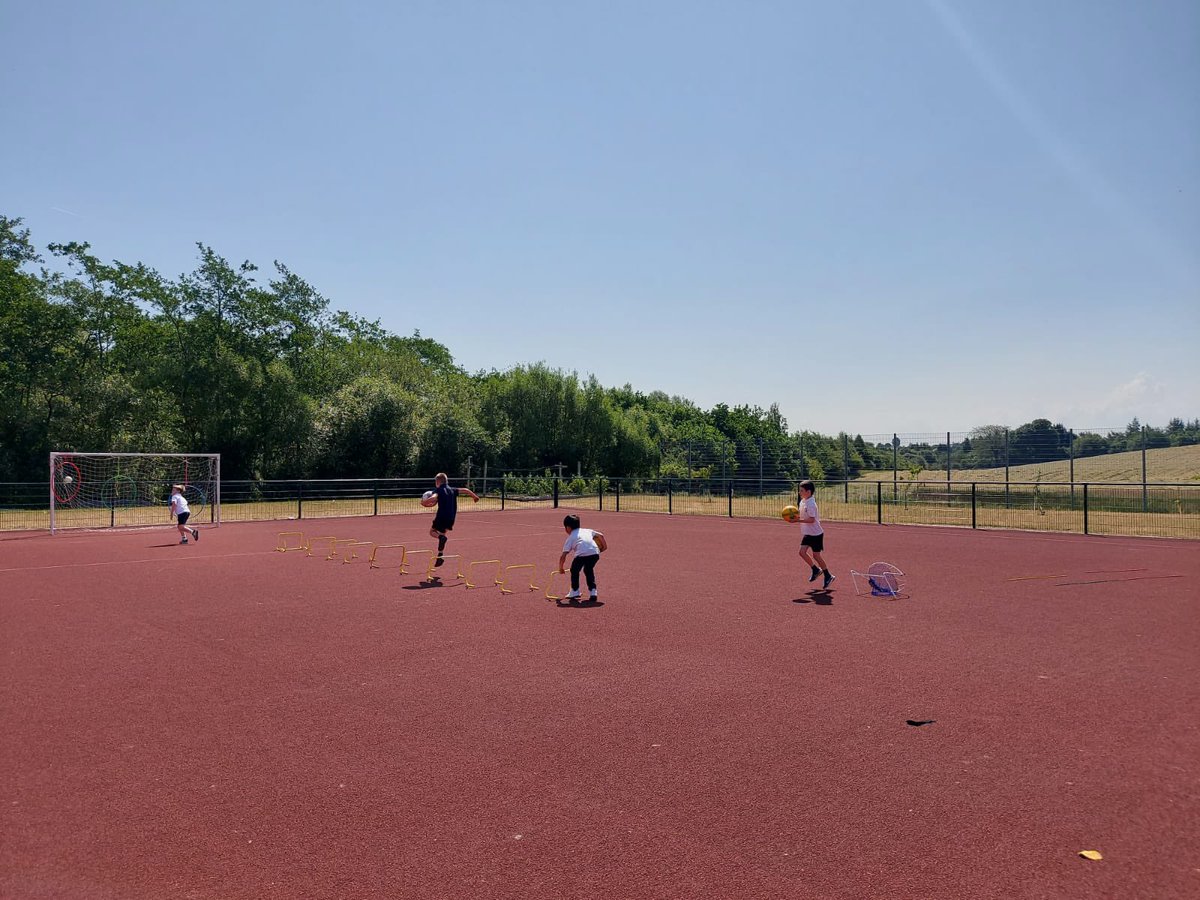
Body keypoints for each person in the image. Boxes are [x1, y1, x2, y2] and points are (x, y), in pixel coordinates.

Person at [422, 472, 479, 566]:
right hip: (451, 518)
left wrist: (424, 503)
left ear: (437, 482)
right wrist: (474, 496)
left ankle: (441, 538)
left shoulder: (438, 490)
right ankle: (440, 555)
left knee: (432, 532)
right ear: (446, 481)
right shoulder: (452, 490)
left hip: (441, 516)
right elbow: (465, 490)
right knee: (442, 534)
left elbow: (433, 498)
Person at [557, 514, 607, 602]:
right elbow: (601, 535)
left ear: (568, 528)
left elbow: (563, 556)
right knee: (588, 570)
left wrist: (561, 568)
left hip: (582, 555)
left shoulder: (571, 537)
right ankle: (593, 592)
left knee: (574, 570)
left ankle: (575, 591)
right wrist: (604, 547)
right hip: (595, 553)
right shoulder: (588, 530)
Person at [793, 479, 833, 589]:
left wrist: (798, 521)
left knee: (816, 555)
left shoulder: (811, 504)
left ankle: (828, 575)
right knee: (802, 552)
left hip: (816, 534)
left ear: (808, 492)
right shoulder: (803, 501)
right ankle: (815, 570)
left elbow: (811, 520)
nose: (799, 492)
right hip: (808, 533)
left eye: (801, 491)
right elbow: (802, 515)